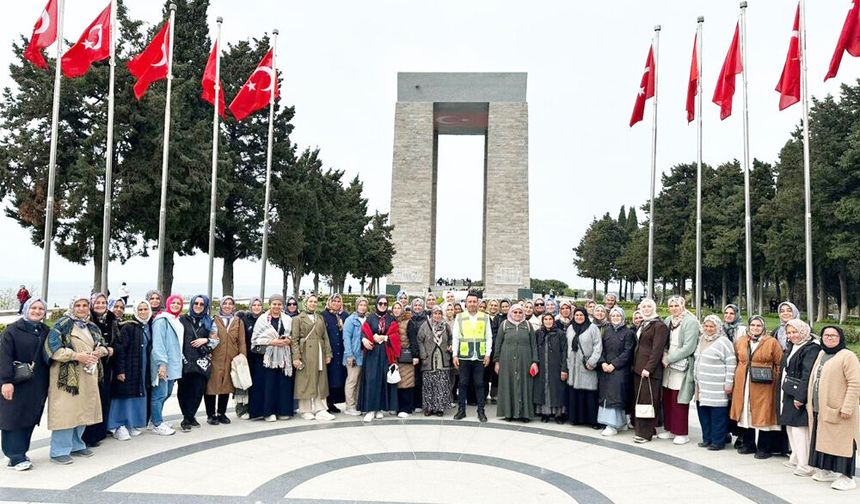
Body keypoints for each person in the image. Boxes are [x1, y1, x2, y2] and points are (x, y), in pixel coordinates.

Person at [44, 295, 109, 464]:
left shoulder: (91, 326)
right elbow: (52, 349)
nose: (81, 308)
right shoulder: (62, 324)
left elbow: (103, 344)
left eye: (85, 305)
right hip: (67, 376)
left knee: (83, 409)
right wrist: (76, 355)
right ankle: (59, 451)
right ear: (72, 306)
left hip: (88, 373)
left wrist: (99, 352)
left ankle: (77, 444)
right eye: (78, 305)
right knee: (66, 412)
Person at [806, 325, 860, 491]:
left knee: (843, 444)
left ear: (840, 337)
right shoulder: (822, 353)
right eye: (826, 335)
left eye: (833, 335)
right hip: (821, 408)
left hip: (840, 409)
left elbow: (855, 383)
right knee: (825, 441)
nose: (829, 338)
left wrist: (847, 407)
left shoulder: (847, 356)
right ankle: (827, 471)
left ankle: (847, 477)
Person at [1, 298, 50, 470]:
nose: (37, 311)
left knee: (30, 416)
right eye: (33, 308)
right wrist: (6, 381)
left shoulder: (45, 330)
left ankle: (20, 453)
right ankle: (15, 456)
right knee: (13, 417)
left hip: (37, 382)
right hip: (17, 382)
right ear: (26, 309)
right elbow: (4, 356)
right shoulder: (12, 331)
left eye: (41, 309)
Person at [730, 315, 784, 458]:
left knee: (763, 413)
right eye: (753, 325)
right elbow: (737, 359)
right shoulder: (741, 341)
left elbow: (779, 362)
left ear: (763, 327)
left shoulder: (771, 342)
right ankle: (748, 444)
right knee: (746, 412)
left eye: (758, 325)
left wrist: (774, 379)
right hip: (744, 382)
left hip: (764, 384)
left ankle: (764, 448)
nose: (755, 328)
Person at [778, 319, 820, 476]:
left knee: (800, 429)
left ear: (803, 331)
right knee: (790, 426)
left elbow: (807, 374)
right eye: (789, 333)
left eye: (795, 332)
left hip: (799, 393)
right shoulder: (792, 346)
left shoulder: (811, 348)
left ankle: (805, 465)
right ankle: (796, 458)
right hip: (789, 390)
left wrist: (800, 396)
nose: (792, 335)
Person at [108, 299, 151, 441]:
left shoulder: (146, 327)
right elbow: (120, 349)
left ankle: (130, 424)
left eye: (145, 309)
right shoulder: (129, 327)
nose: (143, 312)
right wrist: (120, 370)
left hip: (140, 368)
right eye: (140, 309)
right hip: (128, 367)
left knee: (134, 396)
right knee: (123, 397)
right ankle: (117, 426)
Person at [658, 296, 699, 445]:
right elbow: (663, 340)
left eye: (677, 305)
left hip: (681, 364)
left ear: (683, 305)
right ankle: (670, 429)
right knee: (668, 396)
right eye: (671, 306)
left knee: (679, 398)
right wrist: (664, 354)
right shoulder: (668, 320)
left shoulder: (690, 321)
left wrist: (669, 359)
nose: (674, 308)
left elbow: (689, 347)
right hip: (667, 364)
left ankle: (681, 432)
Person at [693, 315, 736, 451]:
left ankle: (718, 441)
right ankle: (707, 439)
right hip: (702, 386)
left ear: (718, 327)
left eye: (712, 326)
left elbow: (731, 363)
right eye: (706, 326)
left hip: (717, 387)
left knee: (718, 415)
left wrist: (729, 384)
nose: (708, 329)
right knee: (703, 414)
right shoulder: (701, 339)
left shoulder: (724, 342)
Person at [176, 295, 219, 432]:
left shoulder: (210, 322)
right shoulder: (182, 319)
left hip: (202, 362)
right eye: (196, 303)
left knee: (198, 391)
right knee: (183, 391)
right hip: (185, 360)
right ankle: (187, 417)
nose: (198, 306)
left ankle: (190, 416)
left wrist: (206, 340)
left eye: (202, 304)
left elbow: (216, 340)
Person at [250, 294, 295, 421]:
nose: (276, 306)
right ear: (270, 305)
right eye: (274, 304)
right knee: (268, 384)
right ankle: (268, 412)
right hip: (266, 358)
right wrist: (271, 342)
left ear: (282, 306)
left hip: (283, 357)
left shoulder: (288, 319)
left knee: (283, 384)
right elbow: (255, 339)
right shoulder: (262, 319)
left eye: (279, 304)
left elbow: (293, 335)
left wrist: (288, 340)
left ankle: (283, 411)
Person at [292, 294, 334, 421]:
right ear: (305, 303)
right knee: (305, 380)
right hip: (305, 352)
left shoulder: (320, 318)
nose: (313, 304)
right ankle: (305, 410)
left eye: (315, 302)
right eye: (310, 301)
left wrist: (328, 353)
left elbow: (325, 337)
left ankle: (321, 409)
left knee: (320, 379)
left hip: (319, 351)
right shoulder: (298, 319)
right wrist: (296, 357)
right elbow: (294, 340)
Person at [632, 299, 669, 443]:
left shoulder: (659, 326)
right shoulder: (644, 323)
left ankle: (645, 434)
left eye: (649, 306)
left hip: (649, 371)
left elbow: (657, 350)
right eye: (643, 306)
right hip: (638, 368)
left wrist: (649, 368)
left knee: (648, 401)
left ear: (654, 308)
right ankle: (644, 430)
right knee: (640, 400)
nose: (646, 309)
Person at [205, 296, 246, 425]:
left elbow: (242, 341)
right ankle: (211, 414)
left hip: (231, 358)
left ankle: (221, 413)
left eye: (230, 304)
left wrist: (242, 357)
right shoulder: (213, 320)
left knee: (226, 385)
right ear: (221, 306)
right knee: (211, 386)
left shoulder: (237, 321)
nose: (227, 306)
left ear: (233, 306)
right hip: (215, 357)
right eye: (225, 303)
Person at [83, 292, 117, 448]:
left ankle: (99, 433)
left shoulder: (111, 319)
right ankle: (87, 435)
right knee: (90, 399)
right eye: (97, 303)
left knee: (103, 399)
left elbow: (117, 341)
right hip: (89, 364)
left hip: (107, 365)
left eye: (103, 303)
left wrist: (111, 350)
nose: (100, 305)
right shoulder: (87, 320)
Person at [359, 295, 401, 422]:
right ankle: (370, 409)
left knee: (383, 379)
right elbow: (364, 332)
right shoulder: (370, 318)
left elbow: (395, 335)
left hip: (385, 352)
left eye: (385, 303)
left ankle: (379, 409)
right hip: (372, 353)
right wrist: (365, 339)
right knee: (371, 379)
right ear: (376, 304)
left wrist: (384, 337)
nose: (382, 306)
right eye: (380, 303)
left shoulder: (391, 319)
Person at [452, 292, 493, 422]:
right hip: (464, 356)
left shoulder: (485, 317)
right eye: (469, 301)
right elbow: (456, 337)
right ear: (466, 303)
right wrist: (454, 355)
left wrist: (487, 354)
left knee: (479, 384)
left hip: (479, 357)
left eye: (474, 301)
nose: (472, 304)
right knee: (463, 384)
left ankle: (481, 411)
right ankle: (461, 410)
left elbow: (489, 337)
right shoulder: (460, 317)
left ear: (478, 302)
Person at [494, 303, 537, 422]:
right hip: (506, 360)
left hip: (525, 360)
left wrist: (534, 361)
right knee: (508, 384)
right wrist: (496, 361)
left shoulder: (528, 325)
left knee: (525, 385)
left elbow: (533, 344)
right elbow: (498, 343)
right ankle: (508, 413)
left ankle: (525, 414)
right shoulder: (504, 325)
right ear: (510, 313)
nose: (517, 314)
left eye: (520, 312)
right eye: (515, 312)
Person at [597, 307, 635, 436]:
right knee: (606, 396)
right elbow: (601, 349)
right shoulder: (607, 331)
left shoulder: (628, 333)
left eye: (618, 315)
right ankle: (612, 423)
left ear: (622, 317)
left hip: (620, 370)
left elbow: (628, 352)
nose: (615, 318)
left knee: (617, 397)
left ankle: (613, 425)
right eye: (613, 316)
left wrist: (614, 365)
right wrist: (603, 362)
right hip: (605, 369)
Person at [149, 294, 184, 436]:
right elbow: (158, 343)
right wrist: (161, 364)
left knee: (167, 393)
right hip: (163, 363)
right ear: (168, 303)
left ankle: (155, 419)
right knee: (159, 394)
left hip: (173, 363)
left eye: (178, 303)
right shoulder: (161, 320)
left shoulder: (176, 320)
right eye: (173, 302)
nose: (175, 305)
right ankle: (157, 423)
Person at [567, 307, 602, 427]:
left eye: (581, 315)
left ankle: (592, 421)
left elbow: (598, 346)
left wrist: (592, 361)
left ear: (585, 316)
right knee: (576, 393)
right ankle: (576, 419)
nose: (579, 317)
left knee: (589, 393)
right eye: (576, 315)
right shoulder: (570, 328)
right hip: (574, 366)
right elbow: (568, 347)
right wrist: (568, 363)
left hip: (587, 366)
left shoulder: (593, 328)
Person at [418, 305, 452, 416]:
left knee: (441, 384)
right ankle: (429, 408)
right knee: (428, 385)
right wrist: (423, 354)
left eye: (439, 313)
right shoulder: (425, 325)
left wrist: (450, 346)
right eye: (435, 313)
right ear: (432, 314)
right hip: (429, 360)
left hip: (442, 359)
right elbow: (420, 340)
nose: (437, 316)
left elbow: (451, 338)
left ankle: (439, 408)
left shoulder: (445, 326)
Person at [534, 313, 567, 423]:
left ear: (553, 321)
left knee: (557, 390)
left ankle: (558, 414)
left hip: (556, 366)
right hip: (542, 366)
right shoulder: (538, 333)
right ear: (542, 321)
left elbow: (564, 352)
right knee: (544, 389)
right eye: (546, 319)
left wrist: (564, 368)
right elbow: (534, 349)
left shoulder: (560, 334)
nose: (548, 321)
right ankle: (545, 413)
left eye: (550, 319)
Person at [236, 297, 264, 419]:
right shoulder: (244, 319)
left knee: (257, 383)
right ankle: (241, 408)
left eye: (259, 305)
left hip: (260, 356)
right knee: (244, 382)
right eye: (254, 305)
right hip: (246, 355)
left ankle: (255, 408)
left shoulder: (265, 319)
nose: (256, 307)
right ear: (250, 307)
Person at [322, 294, 348, 414]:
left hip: (341, 351)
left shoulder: (345, 315)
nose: (336, 303)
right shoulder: (324, 315)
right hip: (329, 351)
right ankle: (326, 403)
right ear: (329, 302)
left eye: (339, 301)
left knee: (339, 377)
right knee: (328, 377)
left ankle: (333, 402)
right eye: (334, 301)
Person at [342, 297, 368, 416]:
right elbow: (346, 338)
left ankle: (358, 404)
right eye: (360, 305)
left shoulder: (367, 319)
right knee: (352, 381)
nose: (362, 307)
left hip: (365, 356)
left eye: (364, 305)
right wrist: (349, 355)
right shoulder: (350, 320)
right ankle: (350, 406)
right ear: (357, 306)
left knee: (360, 382)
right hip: (354, 355)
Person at [393, 301, 417, 417]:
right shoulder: (391, 321)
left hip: (406, 356)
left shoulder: (408, 322)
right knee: (396, 382)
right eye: (395, 308)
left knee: (406, 382)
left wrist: (415, 355)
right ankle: (397, 407)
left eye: (399, 308)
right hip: (394, 357)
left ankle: (406, 408)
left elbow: (413, 339)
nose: (396, 310)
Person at [407, 298, 427, 412]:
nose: (417, 307)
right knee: (412, 379)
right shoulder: (409, 319)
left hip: (424, 353)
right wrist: (414, 354)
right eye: (415, 305)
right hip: (411, 354)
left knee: (421, 379)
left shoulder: (427, 319)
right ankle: (413, 403)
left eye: (420, 305)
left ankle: (420, 402)